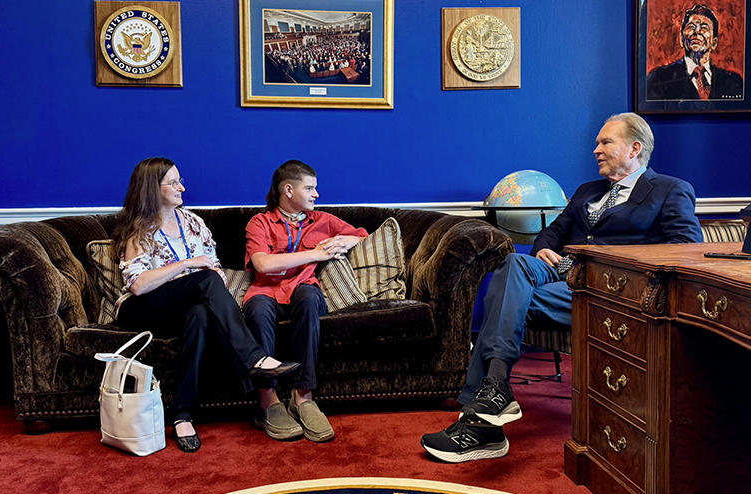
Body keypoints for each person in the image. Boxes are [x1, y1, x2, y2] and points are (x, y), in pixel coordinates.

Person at [421, 112, 704, 463]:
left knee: (507, 298)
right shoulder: (588, 191)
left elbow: (685, 249)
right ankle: (494, 393)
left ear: (635, 148)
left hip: (609, 290)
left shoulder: (669, 190)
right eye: (597, 143)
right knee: (513, 264)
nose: (595, 149)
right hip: (560, 278)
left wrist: (600, 261)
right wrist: (542, 248)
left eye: (605, 142)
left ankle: (482, 420)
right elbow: (553, 232)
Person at [112, 157, 300, 453]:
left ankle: (182, 416)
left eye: (180, 180)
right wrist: (188, 264)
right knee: (205, 282)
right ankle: (253, 359)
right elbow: (138, 285)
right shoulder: (139, 229)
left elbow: (217, 271)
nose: (181, 187)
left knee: (199, 313)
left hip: (188, 305)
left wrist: (207, 281)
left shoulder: (193, 222)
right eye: (173, 182)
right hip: (143, 308)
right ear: (152, 187)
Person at [243, 159, 368, 443]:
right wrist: (316, 254)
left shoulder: (323, 220)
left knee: (310, 296)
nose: (316, 194)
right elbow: (262, 264)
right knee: (258, 309)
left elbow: (362, 236)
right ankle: (268, 401)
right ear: (288, 190)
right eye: (310, 188)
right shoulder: (259, 223)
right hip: (267, 292)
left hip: (302, 288)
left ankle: (302, 397)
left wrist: (343, 242)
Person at [646, 4, 743, 101]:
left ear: (714, 43)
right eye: (691, 27)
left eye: (704, 27)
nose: (697, 31)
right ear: (681, 39)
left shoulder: (734, 82)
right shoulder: (659, 78)